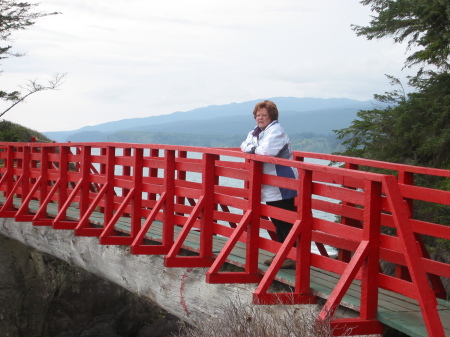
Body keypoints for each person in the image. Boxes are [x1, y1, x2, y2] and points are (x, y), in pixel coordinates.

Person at [240, 100, 297, 269]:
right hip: (271, 183)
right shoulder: (256, 132)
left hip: (283, 182)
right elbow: (243, 145)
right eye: (258, 115)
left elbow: (266, 152)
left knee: (284, 220)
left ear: (272, 116)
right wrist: (252, 147)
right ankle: (284, 254)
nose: (260, 118)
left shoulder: (276, 131)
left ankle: (291, 256)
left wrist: (252, 148)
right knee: (277, 220)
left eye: (264, 115)